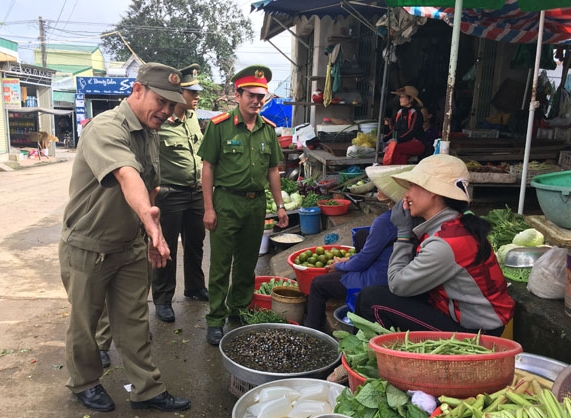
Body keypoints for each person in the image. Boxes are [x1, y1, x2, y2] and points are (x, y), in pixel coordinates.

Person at [59, 62, 192, 413]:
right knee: (85, 323)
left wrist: (149, 231)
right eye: (160, 101)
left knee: (133, 320)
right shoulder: (105, 127)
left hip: (129, 245)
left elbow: (149, 184)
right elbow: (126, 173)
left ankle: (146, 389)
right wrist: (151, 224)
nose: (165, 111)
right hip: (89, 245)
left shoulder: (150, 132)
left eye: (171, 105)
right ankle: (84, 382)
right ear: (137, 90)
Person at [355, 154, 515, 336]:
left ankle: (387, 359)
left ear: (433, 191)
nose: (406, 195)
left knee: (372, 300)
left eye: (413, 186)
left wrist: (403, 234)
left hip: (477, 332)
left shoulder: (445, 243)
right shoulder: (454, 224)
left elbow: (397, 285)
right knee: (366, 295)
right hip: (454, 312)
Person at [198, 65, 289, 345]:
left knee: (248, 263)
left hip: (255, 204)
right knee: (221, 265)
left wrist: (280, 205)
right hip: (226, 202)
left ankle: (238, 311)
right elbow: (208, 167)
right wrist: (209, 208)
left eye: (261, 96)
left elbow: (273, 170)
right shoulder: (220, 126)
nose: (257, 101)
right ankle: (215, 319)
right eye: (251, 95)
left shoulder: (268, 130)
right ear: (238, 95)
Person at [304, 165, 414, 331]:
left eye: (382, 185)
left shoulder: (385, 221)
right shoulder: (413, 214)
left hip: (379, 281)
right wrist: (347, 260)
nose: (377, 187)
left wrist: (339, 265)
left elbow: (363, 261)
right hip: (395, 274)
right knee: (362, 235)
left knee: (318, 284)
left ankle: (311, 332)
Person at [151, 63, 209, 323]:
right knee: (166, 248)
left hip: (195, 192)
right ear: (178, 95)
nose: (197, 96)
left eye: (197, 92)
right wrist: (155, 188)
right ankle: (163, 299)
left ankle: (195, 287)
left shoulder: (194, 118)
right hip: (169, 194)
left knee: (195, 243)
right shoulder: (160, 122)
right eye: (191, 92)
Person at [382, 86, 426, 165]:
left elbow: (412, 131)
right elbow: (394, 129)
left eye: (402, 97)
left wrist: (397, 140)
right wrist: (383, 139)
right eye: (400, 97)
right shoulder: (400, 112)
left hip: (417, 143)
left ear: (411, 99)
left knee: (395, 149)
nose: (400, 99)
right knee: (401, 156)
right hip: (404, 143)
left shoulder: (416, 112)